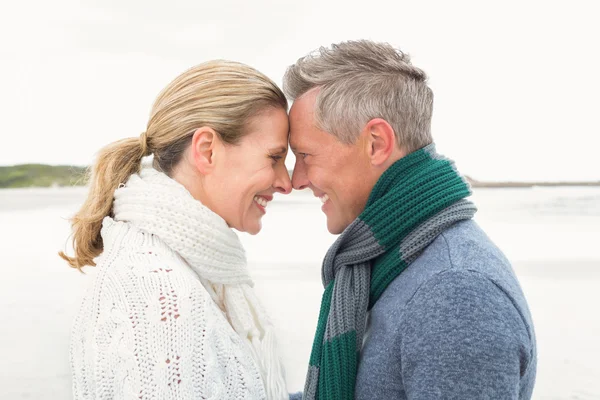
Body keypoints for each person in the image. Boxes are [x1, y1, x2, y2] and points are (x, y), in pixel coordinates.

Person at [283, 40, 537, 400]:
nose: (297, 179)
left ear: (375, 143)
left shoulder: (454, 294)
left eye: (306, 155)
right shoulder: (392, 262)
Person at [60, 60, 293, 400]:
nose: (287, 182)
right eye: (275, 157)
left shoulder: (184, 268)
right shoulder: (161, 296)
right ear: (206, 150)